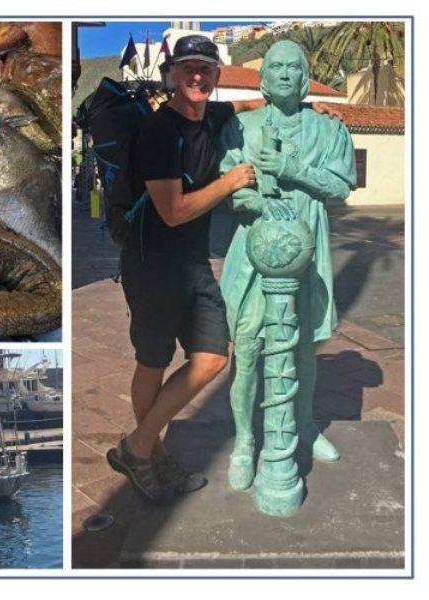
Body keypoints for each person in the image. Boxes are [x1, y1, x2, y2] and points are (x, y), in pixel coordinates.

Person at [105, 34, 342, 505]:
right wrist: (234, 182)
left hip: (194, 265)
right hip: (153, 263)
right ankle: (148, 451)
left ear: (216, 77)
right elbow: (173, 210)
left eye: (206, 69)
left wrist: (307, 110)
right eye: (188, 68)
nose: (197, 76)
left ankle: (139, 446)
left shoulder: (215, 115)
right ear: (171, 73)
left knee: (213, 357)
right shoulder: (159, 132)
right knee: (155, 361)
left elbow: (263, 107)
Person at [216, 40, 356, 491]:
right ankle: (243, 442)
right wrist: (258, 202)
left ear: (305, 77)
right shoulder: (240, 127)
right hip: (255, 250)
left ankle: (307, 425)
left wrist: (291, 167)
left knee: (302, 350)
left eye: (293, 67)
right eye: (274, 66)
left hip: (308, 249)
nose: (283, 73)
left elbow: (340, 186)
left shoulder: (329, 130)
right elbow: (229, 186)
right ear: (261, 77)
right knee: (250, 348)